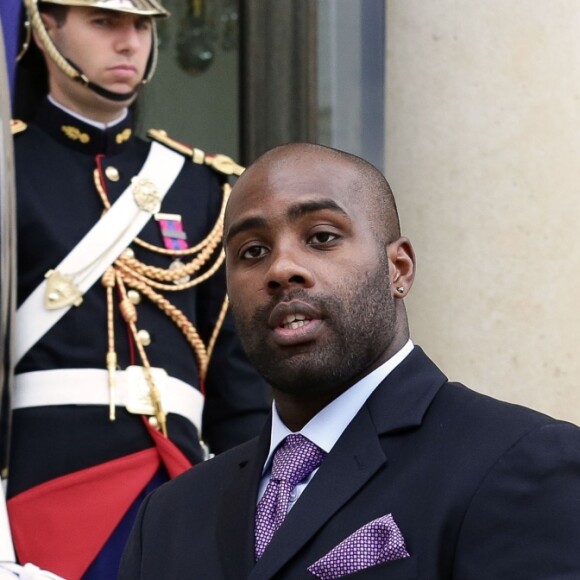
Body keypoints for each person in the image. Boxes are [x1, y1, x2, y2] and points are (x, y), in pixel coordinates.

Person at [119, 142, 580, 579]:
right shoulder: (168, 515)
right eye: (252, 252)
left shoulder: (519, 461)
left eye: (321, 237)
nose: (281, 269)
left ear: (398, 269)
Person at [5, 0, 270, 578]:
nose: (129, 42)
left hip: (183, 490)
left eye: (142, 26)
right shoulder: (8, 170)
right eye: (104, 22)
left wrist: (258, 511)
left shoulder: (204, 187)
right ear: (45, 27)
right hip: (42, 495)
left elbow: (239, 386)